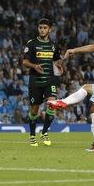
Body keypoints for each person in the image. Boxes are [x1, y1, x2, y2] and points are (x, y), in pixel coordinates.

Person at [22, 18, 63, 147]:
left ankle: (44, 132)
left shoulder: (53, 45)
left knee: (52, 104)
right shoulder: (32, 43)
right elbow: (24, 62)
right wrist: (34, 66)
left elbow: (56, 60)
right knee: (34, 110)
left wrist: (59, 66)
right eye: (40, 27)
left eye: (45, 27)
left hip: (50, 80)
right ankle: (32, 135)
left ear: (49, 29)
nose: (42, 30)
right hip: (35, 81)